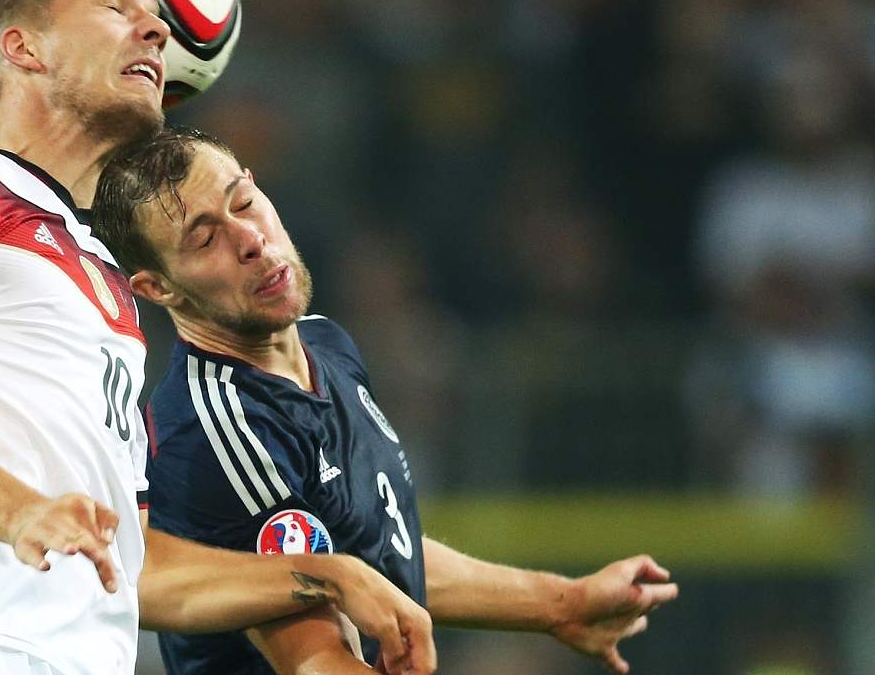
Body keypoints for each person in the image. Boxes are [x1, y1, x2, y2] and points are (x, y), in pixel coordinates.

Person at [0, 0, 436, 675]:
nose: (157, 30)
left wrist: (330, 575)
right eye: (116, 7)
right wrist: (19, 510)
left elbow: (141, 566)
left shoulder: (108, 279)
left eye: (155, 18)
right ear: (24, 48)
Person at [91, 126, 681, 674]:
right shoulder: (220, 434)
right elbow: (315, 657)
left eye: (243, 203)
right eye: (204, 238)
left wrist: (561, 604)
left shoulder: (326, 342)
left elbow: (377, 549)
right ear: (156, 287)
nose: (249, 239)